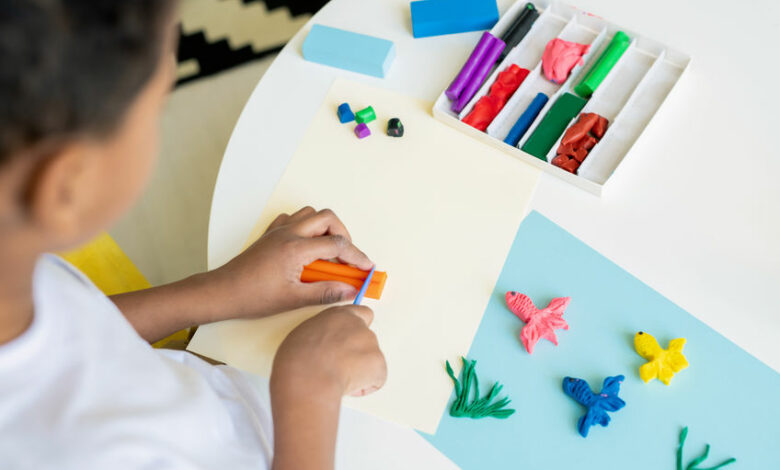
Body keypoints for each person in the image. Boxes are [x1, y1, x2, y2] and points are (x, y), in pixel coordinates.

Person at [0, 1, 387, 468]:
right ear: (66, 186)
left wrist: (222, 290)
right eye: (157, 106)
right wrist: (310, 384)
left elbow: (74, 335)